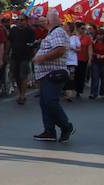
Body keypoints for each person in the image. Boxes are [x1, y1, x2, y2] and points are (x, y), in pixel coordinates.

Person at [32, 9, 75, 143]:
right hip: (46, 74)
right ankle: (49, 130)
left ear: (49, 21)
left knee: (50, 101)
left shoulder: (57, 32)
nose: (43, 21)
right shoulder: (53, 33)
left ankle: (66, 126)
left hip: (53, 73)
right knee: (45, 102)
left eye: (45, 19)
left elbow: (60, 50)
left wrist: (41, 58)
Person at [8, 15, 36, 105]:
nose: (20, 21)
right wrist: (6, 53)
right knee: (16, 76)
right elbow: (9, 42)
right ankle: (20, 92)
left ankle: (22, 95)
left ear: (26, 21)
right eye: (18, 20)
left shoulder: (30, 31)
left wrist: (32, 55)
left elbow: (32, 44)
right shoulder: (13, 30)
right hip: (14, 56)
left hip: (25, 57)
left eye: (22, 20)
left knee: (23, 76)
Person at [89, 28, 104, 100]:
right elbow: (90, 51)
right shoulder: (94, 42)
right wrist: (96, 54)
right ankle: (93, 93)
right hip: (96, 62)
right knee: (95, 78)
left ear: (103, 35)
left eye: (101, 35)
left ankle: (103, 94)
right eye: (98, 34)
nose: (99, 36)